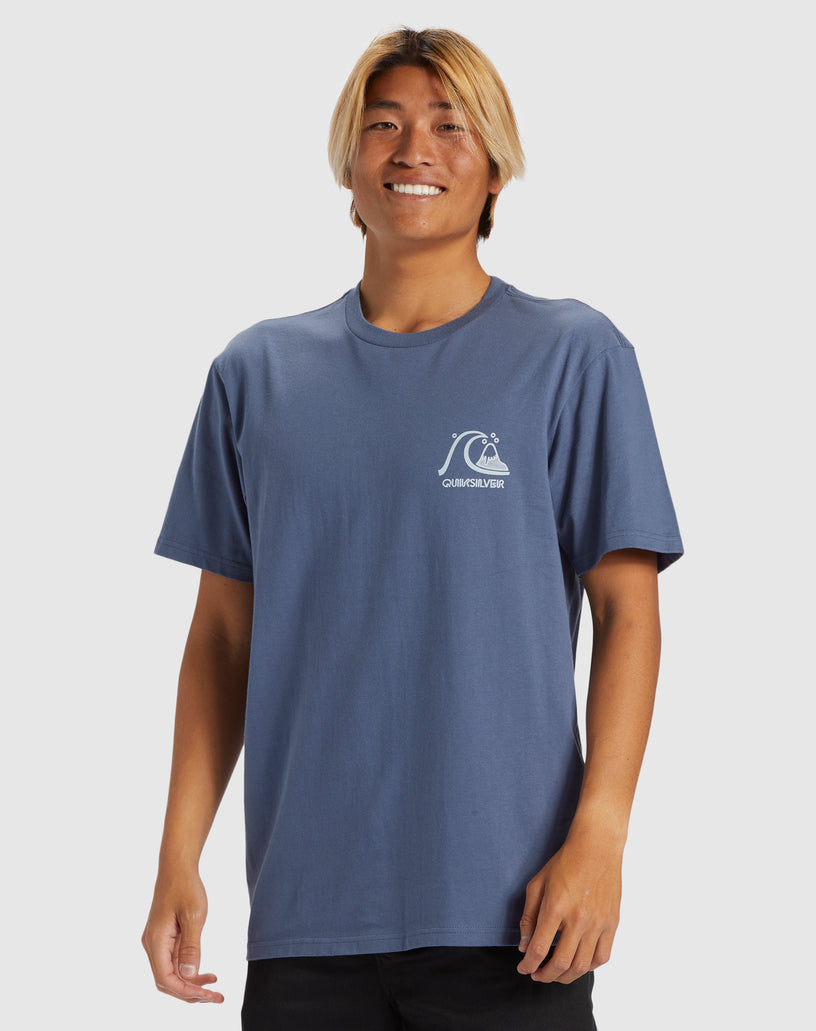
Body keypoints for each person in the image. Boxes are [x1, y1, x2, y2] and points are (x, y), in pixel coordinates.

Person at [141, 26, 683, 1030]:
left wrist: (601, 836)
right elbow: (221, 637)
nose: (413, 150)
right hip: (306, 925)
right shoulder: (256, 374)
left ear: (495, 172)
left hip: (516, 922)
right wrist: (179, 854)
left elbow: (628, 613)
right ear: (349, 166)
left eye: (449, 125)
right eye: (382, 124)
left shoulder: (574, 355)